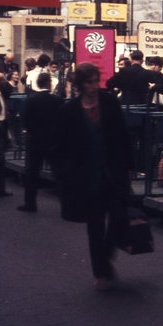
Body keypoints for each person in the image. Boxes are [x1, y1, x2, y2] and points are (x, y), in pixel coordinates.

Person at [51, 63, 133, 291]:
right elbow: (58, 147)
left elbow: (122, 134)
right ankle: (100, 272)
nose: (95, 86)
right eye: (89, 82)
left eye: (97, 81)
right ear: (79, 84)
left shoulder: (109, 102)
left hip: (112, 174)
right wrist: (63, 176)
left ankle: (104, 259)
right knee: (95, 227)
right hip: (87, 179)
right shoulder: (69, 110)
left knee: (119, 218)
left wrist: (128, 166)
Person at [18, 72, 64, 212]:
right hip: (53, 142)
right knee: (58, 173)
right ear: (49, 84)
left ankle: (30, 203)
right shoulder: (58, 101)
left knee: (32, 173)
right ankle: (66, 204)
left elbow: (26, 122)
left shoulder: (31, 101)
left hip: (36, 141)